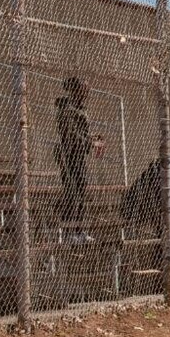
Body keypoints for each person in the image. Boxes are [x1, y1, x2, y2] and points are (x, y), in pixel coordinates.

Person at [54, 77, 104, 244]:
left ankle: (80, 230)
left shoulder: (81, 108)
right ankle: (68, 231)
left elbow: (81, 133)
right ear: (76, 90)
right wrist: (90, 141)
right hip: (68, 154)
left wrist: (93, 139)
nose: (87, 92)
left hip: (79, 154)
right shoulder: (65, 108)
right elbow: (69, 133)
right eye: (84, 89)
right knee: (72, 191)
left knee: (81, 190)